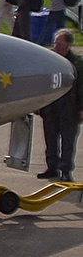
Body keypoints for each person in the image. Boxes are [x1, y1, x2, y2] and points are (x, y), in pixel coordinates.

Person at [37, 28, 82, 181]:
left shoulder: (78, 64)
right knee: (50, 138)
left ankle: (65, 170)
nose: (56, 47)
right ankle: (52, 167)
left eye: (60, 44)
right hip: (51, 107)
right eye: (55, 43)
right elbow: (41, 84)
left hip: (70, 108)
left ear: (68, 44)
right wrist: (38, 104)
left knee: (68, 141)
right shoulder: (48, 60)